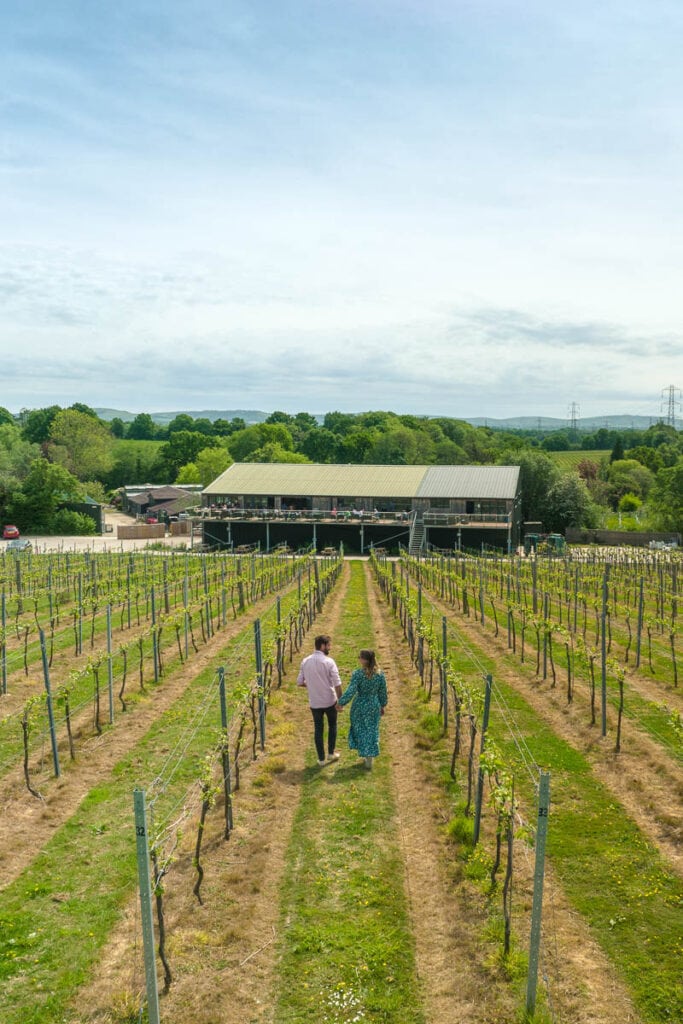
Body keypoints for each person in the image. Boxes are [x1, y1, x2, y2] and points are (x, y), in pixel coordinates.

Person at [297, 634, 342, 766]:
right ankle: (331, 753)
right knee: (332, 725)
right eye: (328, 645)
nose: (330, 648)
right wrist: (341, 701)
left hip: (315, 702)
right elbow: (337, 683)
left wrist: (312, 684)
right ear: (322, 646)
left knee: (318, 728)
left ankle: (321, 759)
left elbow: (299, 682)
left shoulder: (305, 661)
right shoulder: (329, 662)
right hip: (329, 700)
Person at [338, 649, 387, 770]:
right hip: (374, 704)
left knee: (361, 729)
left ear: (364, 660)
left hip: (360, 705)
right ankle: (369, 755)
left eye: (359, 657)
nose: (358, 659)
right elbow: (383, 692)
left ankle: (366, 754)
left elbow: (351, 690)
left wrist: (341, 702)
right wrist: (382, 705)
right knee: (372, 729)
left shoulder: (358, 674)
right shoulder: (380, 674)